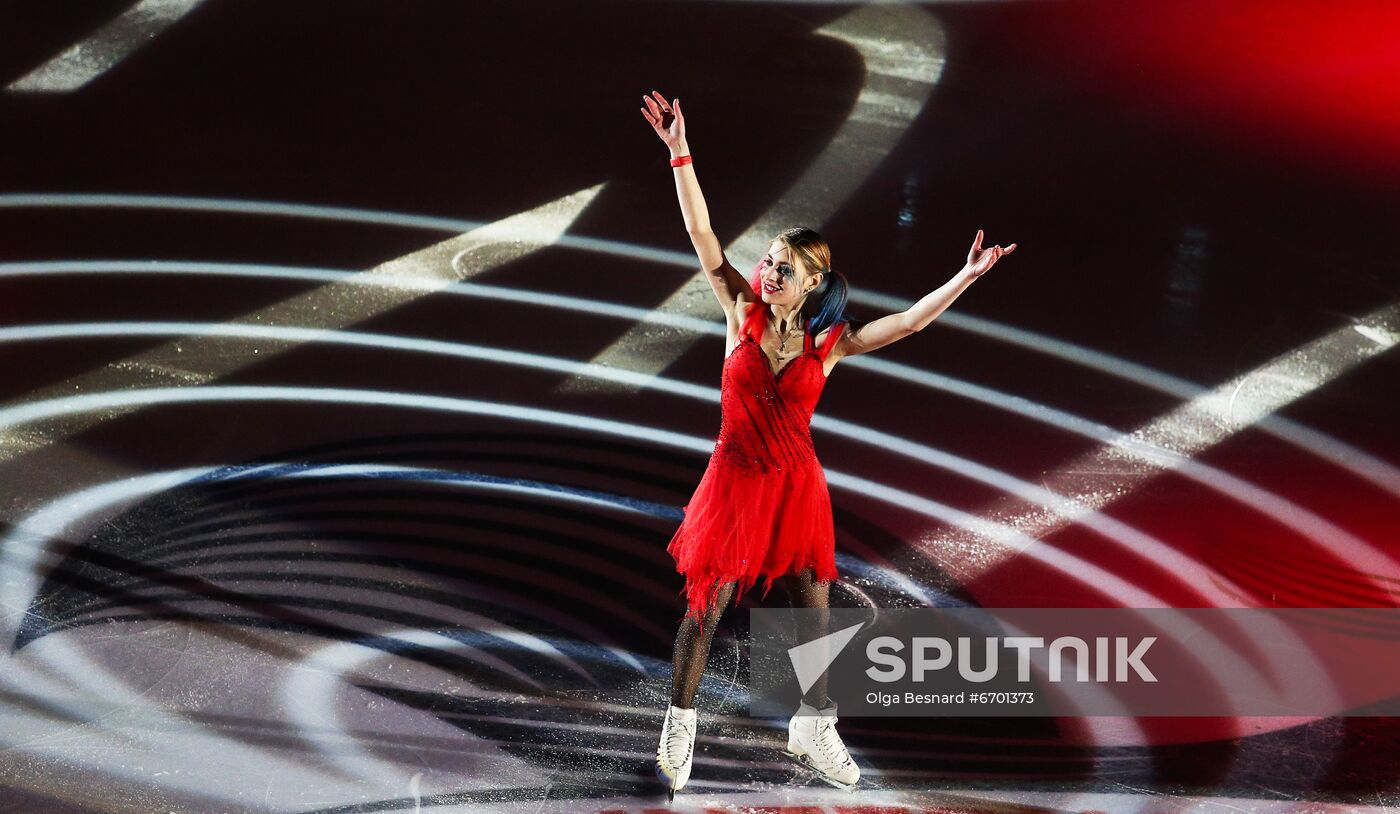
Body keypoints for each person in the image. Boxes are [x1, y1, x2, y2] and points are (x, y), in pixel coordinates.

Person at [639, 90, 1016, 797]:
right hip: (734, 483)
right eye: (771, 259)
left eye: (785, 266)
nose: (769, 269)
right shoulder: (740, 311)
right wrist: (678, 154)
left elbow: (904, 324)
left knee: (813, 622)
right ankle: (680, 721)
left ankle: (813, 726)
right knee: (706, 608)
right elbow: (702, 235)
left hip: (797, 488)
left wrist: (963, 277)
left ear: (812, 285)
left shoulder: (828, 343)